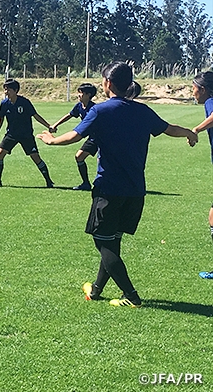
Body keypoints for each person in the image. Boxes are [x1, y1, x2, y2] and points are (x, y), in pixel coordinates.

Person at [37, 62, 197, 307]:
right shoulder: (143, 111)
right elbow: (169, 129)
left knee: (103, 242)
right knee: (112, 241)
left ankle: (131, 296)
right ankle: (96, 289)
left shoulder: (101, 111)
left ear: (107, 84)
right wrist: (189, 132)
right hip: (135, 192)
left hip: (109, 190)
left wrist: (50, 140)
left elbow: (74, 136)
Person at [0, 78, 55, 188]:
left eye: (8, 90)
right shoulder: (4, 103)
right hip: (11, 135)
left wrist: (48, 126)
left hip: (26, 135)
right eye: (5, 89)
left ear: (16, 90)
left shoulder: (24, 102)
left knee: (35, 157)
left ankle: (49, 181)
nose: (6, 92)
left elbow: (35, 116)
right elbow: (0, 118)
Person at [50, 83, 98, 191]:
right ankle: (86, 184)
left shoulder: (94, 108)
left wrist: (76, 133)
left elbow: (84, 129)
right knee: (79, 157)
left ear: (88, 95)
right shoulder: (79, 106)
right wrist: (55, 125)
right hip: (93, 138)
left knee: (104, 161)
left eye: (81, 93)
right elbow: (69, 115)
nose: (78, 95)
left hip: (102, 138)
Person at [191, 71, 213, 279]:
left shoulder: (211, 102)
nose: (193, 92)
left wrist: (196, 130)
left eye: (194, 88)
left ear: (203, 89)